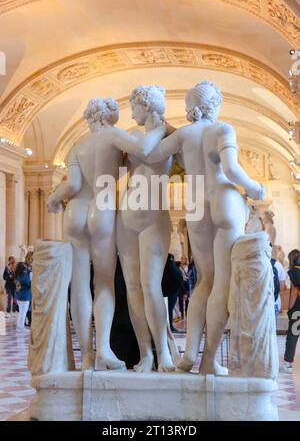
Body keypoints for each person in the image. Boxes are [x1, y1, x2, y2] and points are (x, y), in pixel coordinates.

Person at [145, 80, 265, 374]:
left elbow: (153, 154)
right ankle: (209, 361)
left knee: (203, 282)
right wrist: (255, 188)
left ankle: (188, 357)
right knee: (222, 282)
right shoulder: (223, 130)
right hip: (224, 199)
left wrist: (166, 127)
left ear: (192, 108)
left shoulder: (184, 134)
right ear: (213, 105)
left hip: (196, 205)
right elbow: (233, 169)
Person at [47, 97, 165, 370]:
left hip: (75, 211)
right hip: (102, 209)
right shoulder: (113, 136)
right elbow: (143, 149)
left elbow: (73, 184)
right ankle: (103, 351)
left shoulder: (77, 146)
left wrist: (53, 198)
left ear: (90, 118)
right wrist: (159, 127)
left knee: (79, 284)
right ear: (109, 117)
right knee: (103, 282)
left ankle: (86, 355)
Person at [117, 85, 177, 372]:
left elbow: (197, 162)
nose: (131, 111)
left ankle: (163, 351)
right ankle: (146, 354)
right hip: (126, 220)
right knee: (133, 288)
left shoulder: (172, 136)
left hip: (154, 218)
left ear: (147, 106)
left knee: (151, 285)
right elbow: (131, 155)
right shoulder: (133, 135)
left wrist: (167, 127)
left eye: (134, 105)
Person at [280, 249, 300, 373]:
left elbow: (293, 292)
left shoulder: (295, 271)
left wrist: (290, 309)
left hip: (298, 307)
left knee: (293, 334)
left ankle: (287, 363)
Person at [15, 252, 33, 333]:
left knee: (22, 311)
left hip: (20, 293)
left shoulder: (20, 270)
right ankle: (20, 328)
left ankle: (20, 326)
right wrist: (32, 283)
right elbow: (25, 281)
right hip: (24, 293)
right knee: (23, 311)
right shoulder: (25, 271)